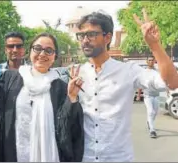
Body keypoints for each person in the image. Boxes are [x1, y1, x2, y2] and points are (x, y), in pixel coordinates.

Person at [74, 9, 178, 162]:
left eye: (91, 34)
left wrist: (154, 45)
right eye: (81, 35)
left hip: (118, 158)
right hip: (85, 157)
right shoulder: (76, 73)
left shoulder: (128, 71)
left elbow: (172, 82)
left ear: (107, 37)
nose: (85, 40)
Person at [0, 33, 84, 162]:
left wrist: (72, 98)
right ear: (29, 52)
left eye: (49, 50)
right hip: (13, 153)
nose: (42, 54)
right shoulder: (11, 78)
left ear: (54, 56)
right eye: (37, 48)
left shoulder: (61, 88)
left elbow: (69, 127)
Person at [140, 56, 162, 138]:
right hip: (147, 95)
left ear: (154, 61)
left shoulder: (157, 71)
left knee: (155, 112)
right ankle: (152, 130)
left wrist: (166, 90)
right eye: (149, 60)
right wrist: (139, 95)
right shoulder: (144, 72)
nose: (151, 61)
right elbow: (141, 83)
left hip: (156, 95)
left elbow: (161, 82)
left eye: (152, 60)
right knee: (150, 111)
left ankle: (149, 122)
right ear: (147, 61)